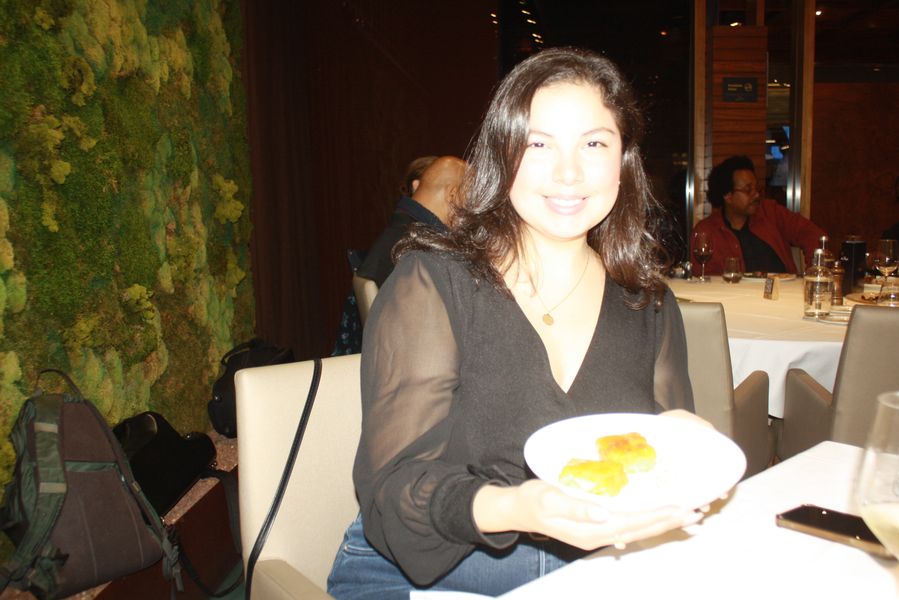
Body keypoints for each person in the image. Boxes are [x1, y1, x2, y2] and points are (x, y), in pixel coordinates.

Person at [327, 47, 703, 599]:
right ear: (502, 155)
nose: (569, 173)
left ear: (623, 160)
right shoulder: (433, 283)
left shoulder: (649, 306)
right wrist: (516, 508)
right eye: (538, 144)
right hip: (431, 572)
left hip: (589, 571)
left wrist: (686, 446)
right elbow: (393, 492)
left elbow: (658, 466)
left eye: (594, 143)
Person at [690, 155, 825, 275]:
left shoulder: (770, 212)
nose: (756, 195)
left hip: (782, 291)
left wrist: (815, 271)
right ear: (728, 196)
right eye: (748, 190)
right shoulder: (707, 230)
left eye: (756, 188)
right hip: (735, 294)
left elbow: (812, 235)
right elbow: (704, 277)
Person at [356, 155, 466, 287]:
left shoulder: (400, 233)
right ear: (453, 195)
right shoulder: (422, 247)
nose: (475, 209)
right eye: (471, 198)